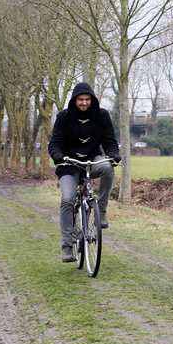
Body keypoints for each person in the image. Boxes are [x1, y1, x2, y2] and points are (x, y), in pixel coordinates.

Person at [49, 82, 121, 262]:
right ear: (74, 100)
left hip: (91, 161)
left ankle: (101, 211)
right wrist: (58, 155)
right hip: (69, 164)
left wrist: (113, 155)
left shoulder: (102, 115)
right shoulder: (63, 117)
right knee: (67, 199)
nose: (84, 103)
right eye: (80, 99)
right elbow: (55, 143)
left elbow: (110, 142)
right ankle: (67, 246)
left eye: (87, 99)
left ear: (92, 100)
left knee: (107, 168)